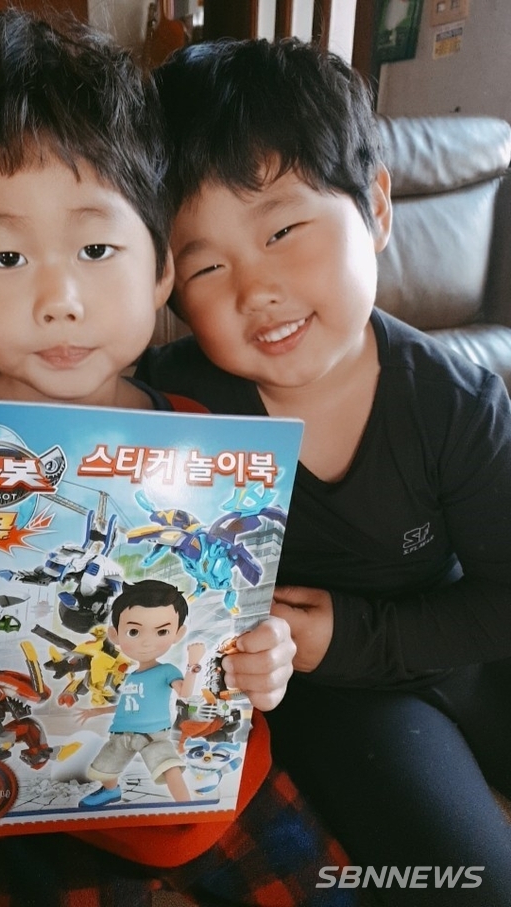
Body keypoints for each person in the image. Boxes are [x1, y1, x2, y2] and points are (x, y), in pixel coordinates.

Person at [0, 11, 353, 906]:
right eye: (6, 254)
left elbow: (245, 604)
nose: (59, 298)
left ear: (161, 268)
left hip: (223, 797)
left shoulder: (207, 438)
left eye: (96, 248)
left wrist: (269, 652)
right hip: (30, 814)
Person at [135, 36, 511, 905]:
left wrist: (355, 632)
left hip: (459, 641)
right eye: (206, 264)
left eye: (282, 229)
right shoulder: (175, 409)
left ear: (375, 207)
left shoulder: (457, 401)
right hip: (340, 699)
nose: (254, 290)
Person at [78, 580, 205, 807]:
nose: (147, 642)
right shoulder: (132, 676)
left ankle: (186, 806)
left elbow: (185, 693)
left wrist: (193, 664)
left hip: (152, 735)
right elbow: (127, 703)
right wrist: (97, 711)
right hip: (121, 733)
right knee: (105, 768)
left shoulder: (166, 671)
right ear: (115, 635)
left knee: (169, 767)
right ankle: (111, 791)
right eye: (134, 631)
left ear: (178, 633)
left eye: (162, 631)